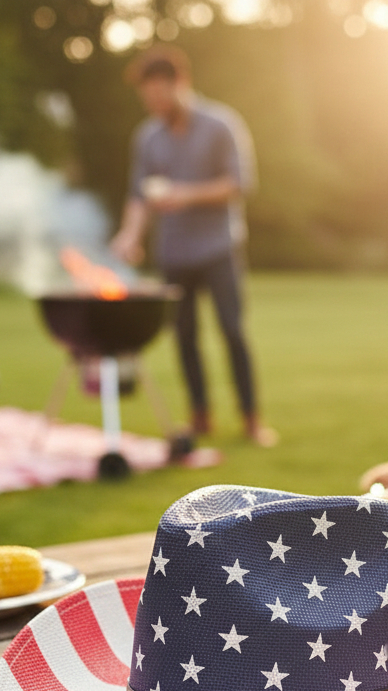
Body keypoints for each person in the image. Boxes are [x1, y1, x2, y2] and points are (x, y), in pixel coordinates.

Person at [110, 46, 276, 447]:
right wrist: (130, 235)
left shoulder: (220, 125)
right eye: (147, 98)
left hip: (219, 248)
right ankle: (200, 416)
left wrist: (185, 195)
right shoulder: (148, 137)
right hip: (174, 253)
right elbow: (139, 196)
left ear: (179, 84)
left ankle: (252, 419)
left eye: (158, 95)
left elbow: (239, 185)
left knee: (232, 331)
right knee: (184, 336)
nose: (153, 104)